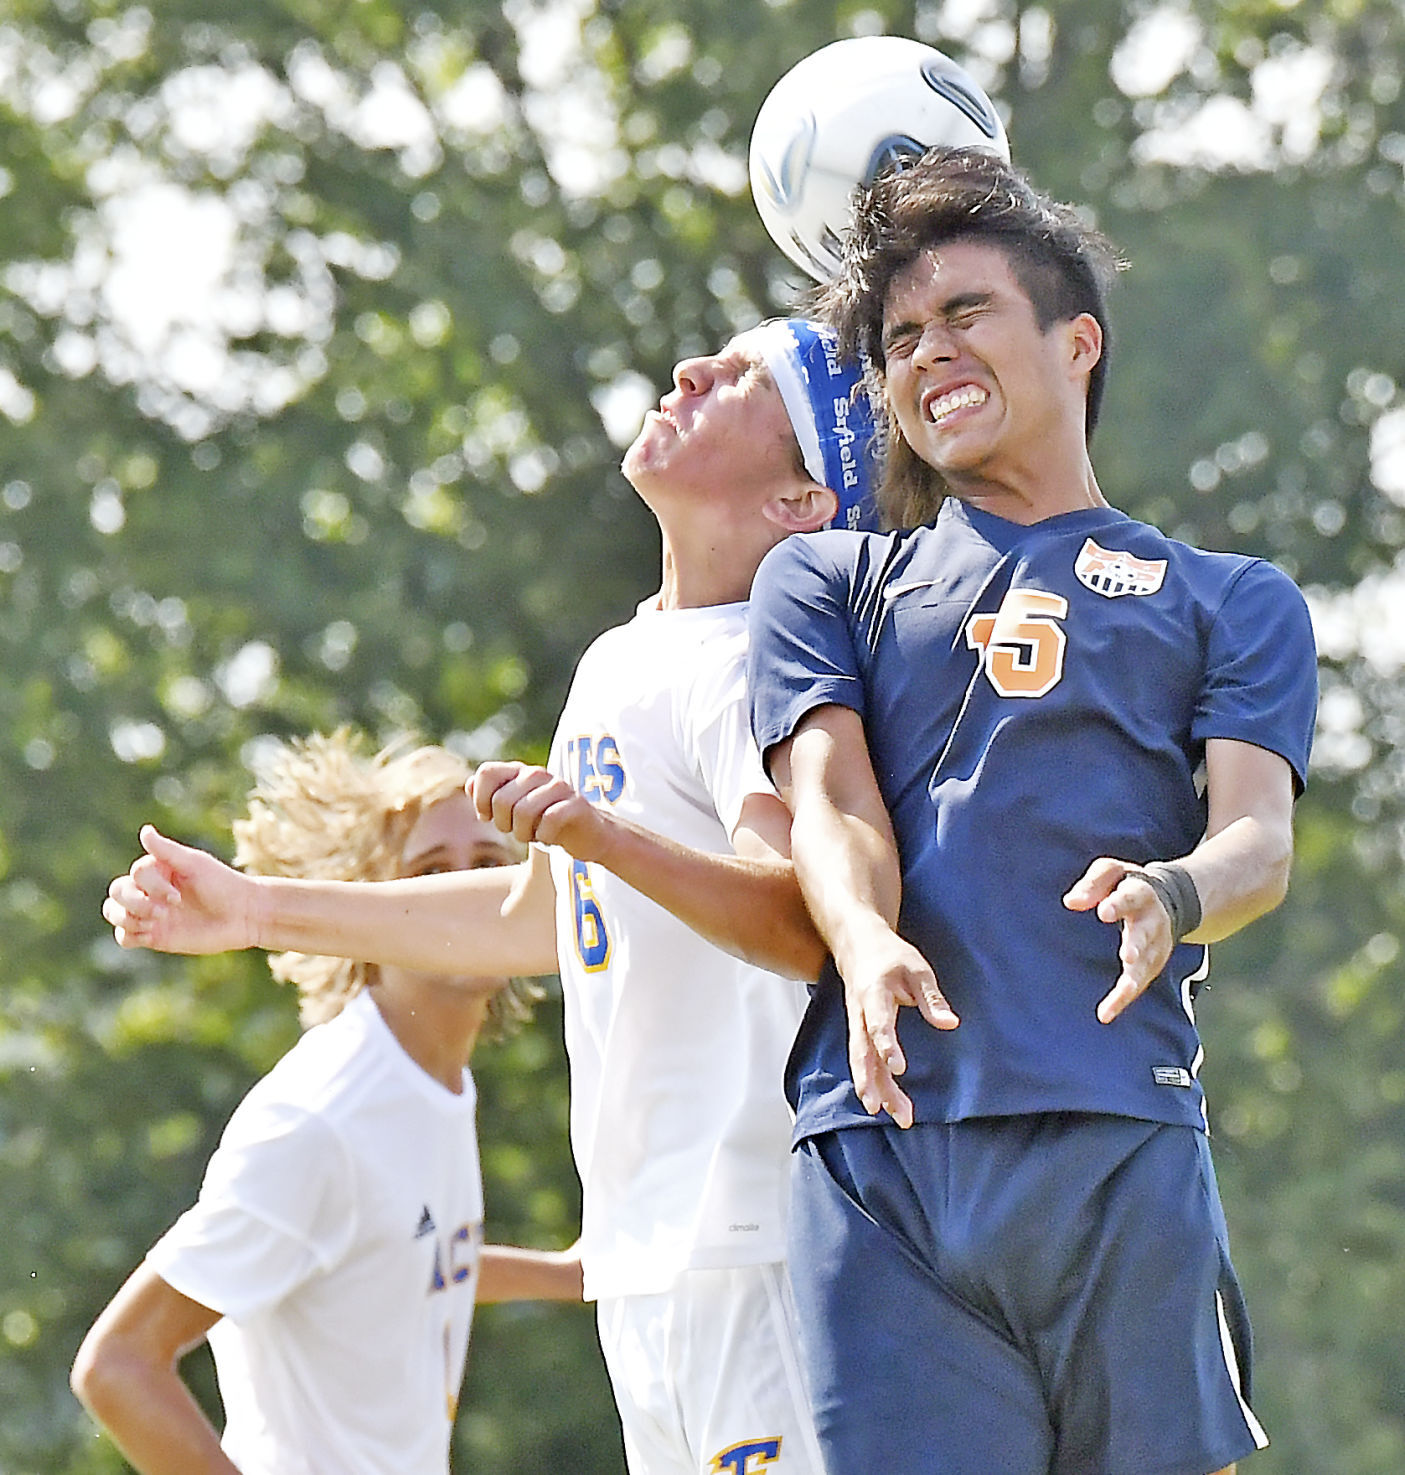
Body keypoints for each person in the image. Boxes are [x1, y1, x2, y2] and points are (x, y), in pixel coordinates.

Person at [99, 321, 879, 1475]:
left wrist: (600, 837)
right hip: (649, 1258)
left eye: (750, 380)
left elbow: (805, 923)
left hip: (748, 1244)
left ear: (801, 502)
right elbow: (539, 918)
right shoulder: (621, 658)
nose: (691, 372)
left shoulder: (745, 664)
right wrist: (258, 908)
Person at [745, 147, 1319, 1475]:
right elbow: (831, 800)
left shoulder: (1230, 598)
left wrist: (1173, 892)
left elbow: (1256, 842)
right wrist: (862, 934)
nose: (925, 352)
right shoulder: (827, 581)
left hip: (1112, 1130)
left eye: (963, 314)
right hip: (881, 1151)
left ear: (1076, 341)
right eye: (897, 338)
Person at [73, 731, 582, 1475]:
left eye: (484, 869)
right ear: (371, 908)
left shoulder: (429, 1079)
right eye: (429, 873)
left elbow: (400, 1250)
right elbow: (118, 1366)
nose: (460, 892)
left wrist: (569, 1274)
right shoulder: (321, 1120)